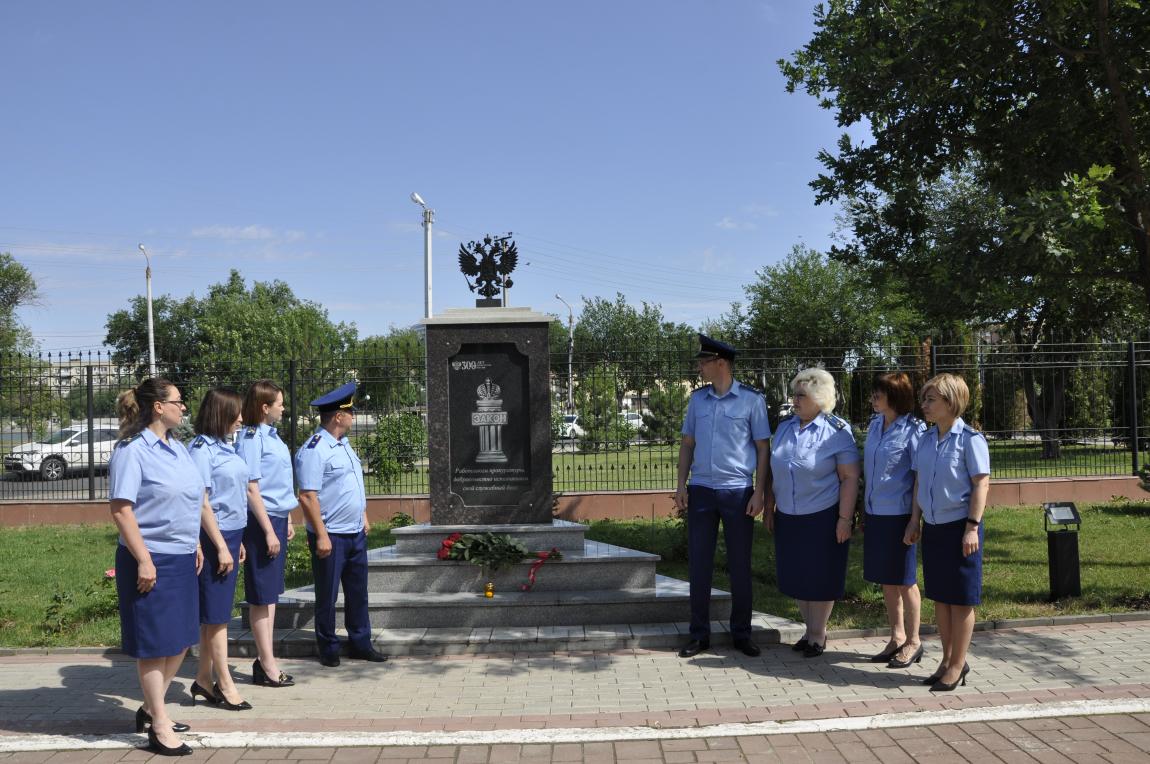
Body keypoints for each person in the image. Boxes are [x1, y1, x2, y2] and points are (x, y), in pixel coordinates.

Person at [108, 378, 211, 756]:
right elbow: (121, 509)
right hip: (148, 558)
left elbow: (189, 500)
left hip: (183, 555)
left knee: (182, 640)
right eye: (178, 402)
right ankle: (159, 724)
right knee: (154, 645)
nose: (183, 408)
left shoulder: (178, 449)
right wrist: (145, 560)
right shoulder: (131, 451)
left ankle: (153, 707)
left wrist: (196, 541)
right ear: (158, 407)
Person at [675, 334, 771, 659]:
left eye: (704, 361)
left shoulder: (751, 400)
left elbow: (762, 449)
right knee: (699, 565)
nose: (699, 366)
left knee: (739, 565)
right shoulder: (697, 400)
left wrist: (759, 492)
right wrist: (680, 486)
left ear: (721, 363)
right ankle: (699, 635)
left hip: (738, 490)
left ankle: (742, 634)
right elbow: (687, 443)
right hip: (701, 490)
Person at [765, 368, 859, 658]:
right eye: (794, 394)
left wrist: (844, 519)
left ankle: (818, 634)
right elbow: (772, 469)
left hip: (823, 513)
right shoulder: (785, 427)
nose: (794, 400)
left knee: (820, 577)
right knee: (797, 576)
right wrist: (769, 508)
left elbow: (849, 478)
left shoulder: (837, 431)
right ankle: (809, 630)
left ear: (819, 398)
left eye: (801, 395)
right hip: (789, 514)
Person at [906, 373, 990, 691]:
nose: (924, 405)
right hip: (934, 527)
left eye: (931, 400)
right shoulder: (926, 439)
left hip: (960, 527)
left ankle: (958, 664)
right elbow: (918, 483)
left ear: (950, 402)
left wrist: (972, 528)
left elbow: (981, 482)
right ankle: (947, 660)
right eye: (924, 399)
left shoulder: (970, 439)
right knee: (941, 598)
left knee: (961, 600)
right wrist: (915, 521)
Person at [295, 381, 388, 667]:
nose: (353, 415)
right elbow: (308, 496)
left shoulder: (344, 445)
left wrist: (363, 516)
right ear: (338, 416)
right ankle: (329, 648)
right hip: (330, 535)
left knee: (358, 593)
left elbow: (352, 484)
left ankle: (361, 643)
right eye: (350, 411)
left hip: (354, 533)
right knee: (327, 594)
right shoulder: (315, 449)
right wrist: (321, 535)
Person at [188, 388, 252, 711]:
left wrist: (235, 542)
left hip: (230, 535)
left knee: (215, 616)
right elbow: (202, 503)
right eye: (235, 414)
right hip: (215, 538)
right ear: (220, 415)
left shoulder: (227, 447)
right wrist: (220, 547)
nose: (241, 419)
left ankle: (202, 679)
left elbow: (236, 495)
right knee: (218, 618)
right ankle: (224, 683)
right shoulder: (202, 450)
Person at [862, 372, 927, 668]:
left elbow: (918, 479)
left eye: (879, 393)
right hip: (876, 513)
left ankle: (914, 641)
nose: (873, 398)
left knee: (905, 580)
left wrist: (915, 519)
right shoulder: (875, 425)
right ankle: (896, 636)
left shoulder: (914, 430)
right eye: (873, 393)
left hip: (900, 514)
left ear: (896, 396)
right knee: (887, 581)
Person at [236, 379, 297, 688]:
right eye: (279, 403)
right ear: (264, 407)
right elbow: (251, 487)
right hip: (261, 522)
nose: (283, 407)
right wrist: (267, 530)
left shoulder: (272, 436)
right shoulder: (251, 438)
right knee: (261, 595)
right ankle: (267, 663)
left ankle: (266, 659)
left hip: (275, 518)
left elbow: (279, 485)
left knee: (270, 593)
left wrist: (285, 518)